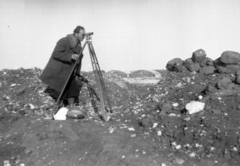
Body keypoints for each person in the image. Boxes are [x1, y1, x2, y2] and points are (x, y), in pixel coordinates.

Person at [39, 26, 86, 107]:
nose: (84, 36)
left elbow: (79, 59)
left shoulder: (78, 44)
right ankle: (60, 107)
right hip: (58, 71)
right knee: (59, 89)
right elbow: (56, 54)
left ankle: (71, 107)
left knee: (73, 87)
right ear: (76, 34)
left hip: (68, 72)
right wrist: (70, 56)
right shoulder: (64, 41)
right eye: (83, 34)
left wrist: (77, 74)